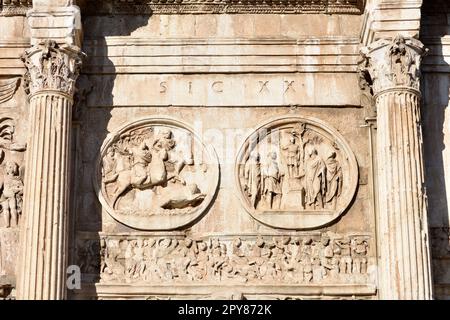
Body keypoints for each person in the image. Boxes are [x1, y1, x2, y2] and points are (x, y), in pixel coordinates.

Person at [1, 161, 23, 228]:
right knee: (5, 209)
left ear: (14, 168)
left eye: (11, 167)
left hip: (12, 195)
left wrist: (17, 189)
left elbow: (21, 188)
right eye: (8, 167)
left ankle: (16, 224)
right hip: (4, 195)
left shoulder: (17, 178)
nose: (9, 168)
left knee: (13, 208)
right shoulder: (4, 177)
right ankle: (7, 224)